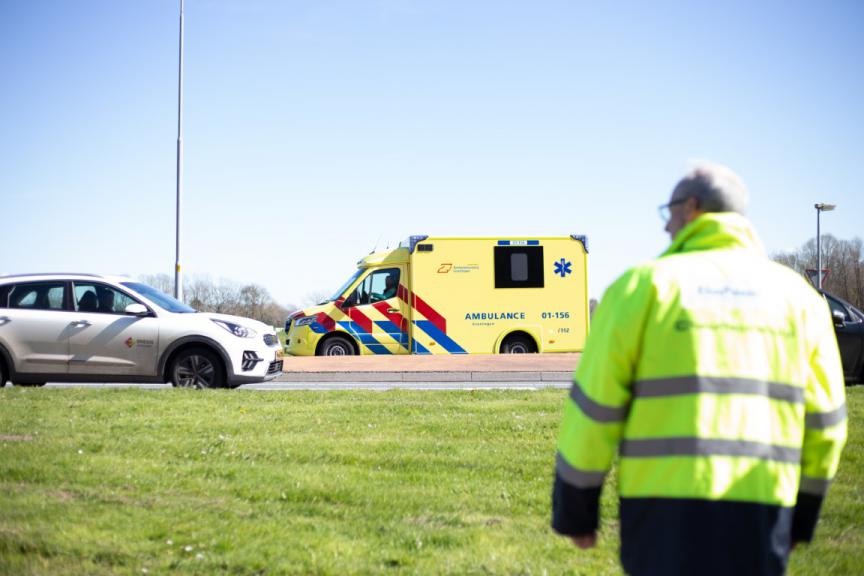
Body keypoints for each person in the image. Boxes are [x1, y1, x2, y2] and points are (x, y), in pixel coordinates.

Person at [551, 163, 847, 575]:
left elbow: (593, 410)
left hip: (660, 514)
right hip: (762, 508)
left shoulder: (640, 289)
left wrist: (576, 511)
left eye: (668, 212)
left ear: (691, 208)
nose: (665, 226)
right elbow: (827, 423)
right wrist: (803, 515)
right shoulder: (799, 299)